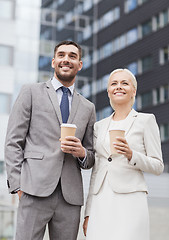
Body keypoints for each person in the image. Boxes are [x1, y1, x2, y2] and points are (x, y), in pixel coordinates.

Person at [5, 40, 96, 240]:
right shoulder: (31, 92)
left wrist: (81, 152)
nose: (66, 59)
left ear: (80, 65)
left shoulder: (88, 107)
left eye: (72, 56)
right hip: (33, 189)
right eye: (61, 55)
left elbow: (91, 157)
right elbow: (13, 141)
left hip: (70, 198)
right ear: (53, 61)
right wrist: (17, 185)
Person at [83, 68, 164, 240]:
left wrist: (131, 155)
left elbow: (158, 166)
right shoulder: (99, 126)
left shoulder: (146, 121)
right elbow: (95, 171)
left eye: (124, 83)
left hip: (131, 199)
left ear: (133, 90)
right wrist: (88, 212)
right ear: (108, 91)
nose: (118, 87)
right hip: (101, 200)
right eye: (114, 83)